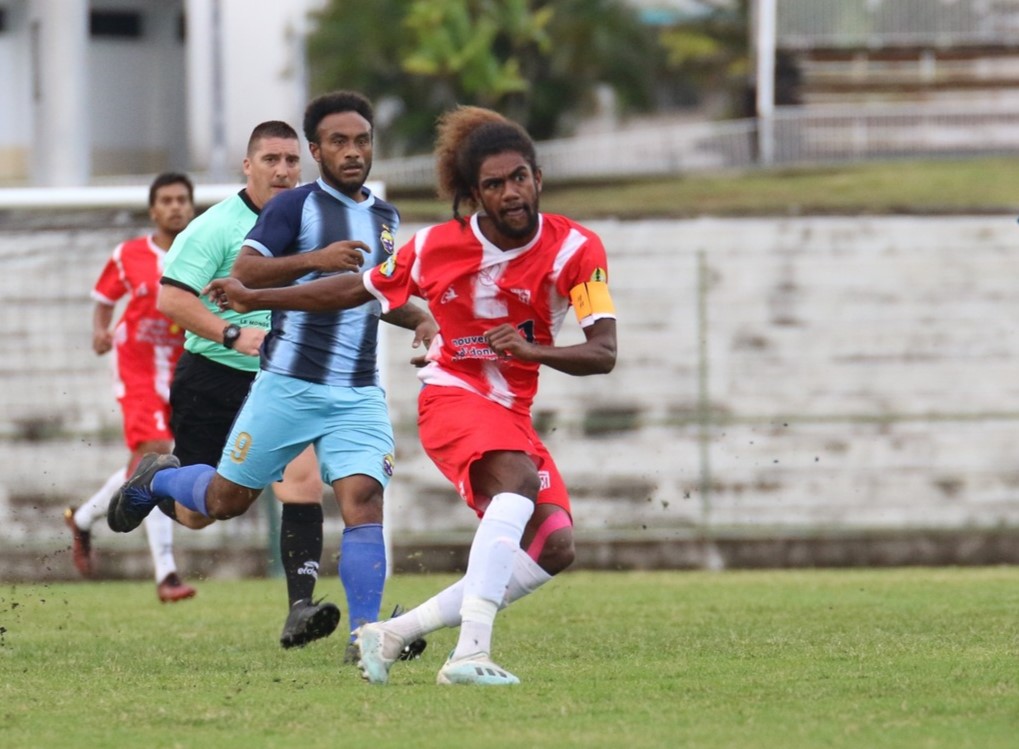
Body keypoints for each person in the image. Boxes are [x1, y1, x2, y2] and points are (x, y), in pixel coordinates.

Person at [206, 105, 617, 686]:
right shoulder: (436, 248)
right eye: (494, 185)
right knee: (517, 484)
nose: (511, 194)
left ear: (538, 178)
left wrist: (535, 354)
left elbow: (603, 352)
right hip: (453, 395)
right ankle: (470, 654)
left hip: (512, 411)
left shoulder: (578, 249)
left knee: (554, 546)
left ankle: (392, 633)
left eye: (520, 178)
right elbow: (355, 289)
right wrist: (255, 298)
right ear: (475, 195)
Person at [110, 93, 436, 660]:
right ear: (317, 151)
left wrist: (422, 315)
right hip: (257, 378)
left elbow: (372, 293)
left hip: (354, 389)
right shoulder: (281, 211)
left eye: (362, 141)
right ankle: (158, 480)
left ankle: (359, 635)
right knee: (216, 503)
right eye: (338, 141)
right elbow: (237, 275)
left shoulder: (384, 217)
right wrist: (268, 299)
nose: (353, 152)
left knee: (357, 497)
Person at [153, 121, 339, 648]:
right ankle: (158, 480)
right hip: (211, 378)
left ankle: (300, 607)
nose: (282, 170)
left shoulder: (314, 222)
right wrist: (233, 335)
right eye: (271, 160)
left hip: (283, 379)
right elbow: (171, 299)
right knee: (200, 513)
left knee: (301, 482)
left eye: (291, 160)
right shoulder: (215, 228)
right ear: (248, 165)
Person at [65, 172, 197, 603]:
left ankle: (83, 518)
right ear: (153, 209)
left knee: (145, 466)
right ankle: (167, 574)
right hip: (136, 368)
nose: (175, 206)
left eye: (182, 199)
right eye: (167, 200)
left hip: (182, 373)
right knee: (159, 455)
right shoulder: (130, 255)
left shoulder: (204, 251)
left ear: (191, 207)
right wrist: (100, 332)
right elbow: (103, 299)